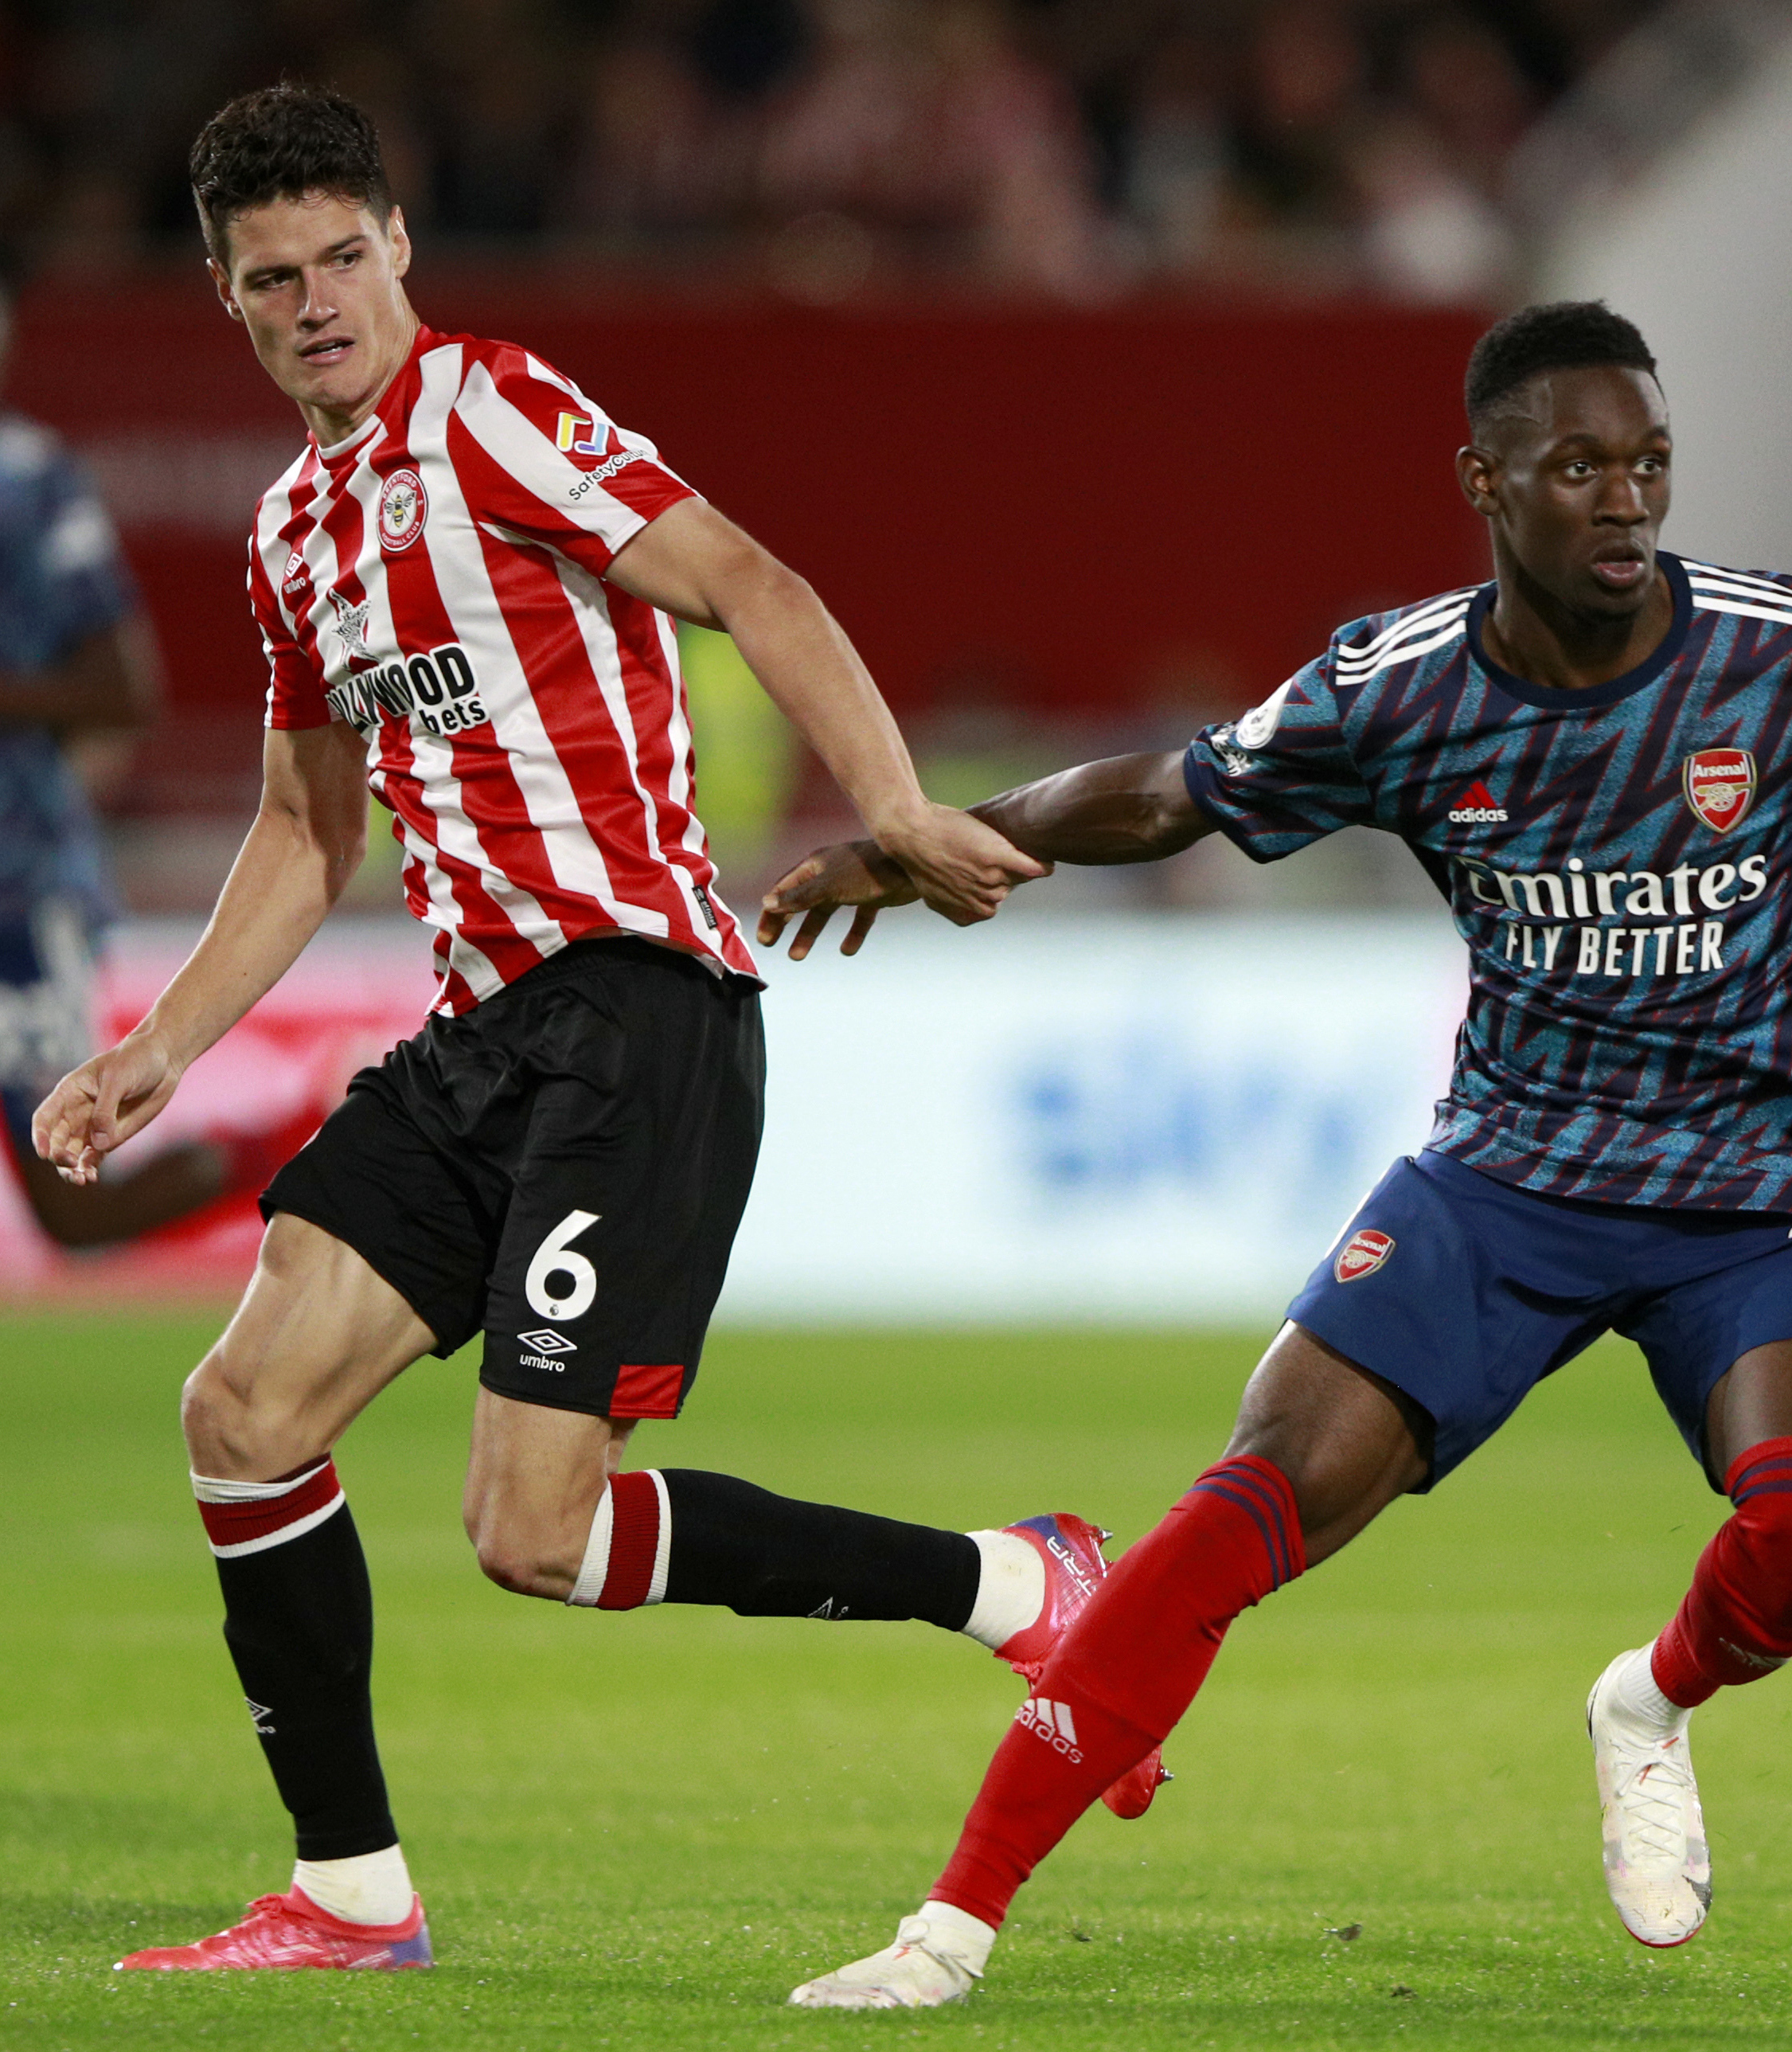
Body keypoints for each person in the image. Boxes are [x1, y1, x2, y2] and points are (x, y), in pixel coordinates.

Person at [758, 299, 1792, 2008]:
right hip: (1509, 1182)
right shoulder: (1405, 686)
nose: (1625, 500)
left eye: (1648, 463)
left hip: (1763, 1195)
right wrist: (929, 842)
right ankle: (950, 1925)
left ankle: (1648, 1701)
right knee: (1243, 1506)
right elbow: (1173, 791)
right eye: (1581, 465)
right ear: (1486, 479)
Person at [30, 83, 1147, 1977]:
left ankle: (1021, 1583)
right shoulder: (294, 535)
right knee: (238, 1415)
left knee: (532, 1533)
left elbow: (747, 582)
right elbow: (311, 826)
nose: (316, 301)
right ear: (228, 301)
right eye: (270, 277)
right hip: (479, 1039)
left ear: (403, 249)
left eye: (342, 259)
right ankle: (349, 1898)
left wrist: (885, 808)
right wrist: (163, 1046)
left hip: (636, 1010)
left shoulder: (497, 410)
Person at [0, 276, 294, 1249]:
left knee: (74, 1204)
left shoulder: (25, 479)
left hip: (13, 892)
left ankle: (308, 1138)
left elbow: (126, 689)